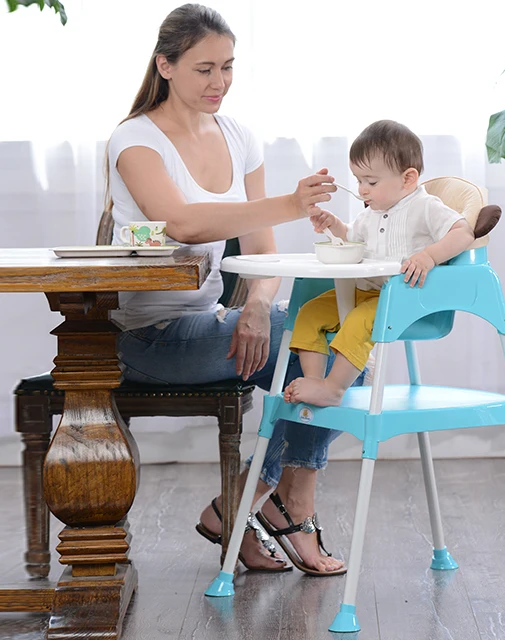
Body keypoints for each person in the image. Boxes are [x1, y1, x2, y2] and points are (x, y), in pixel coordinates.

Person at [107, 3, 354, 575]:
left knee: (338, 340)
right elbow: (183, 222)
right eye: (204, 69)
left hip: (213, 320)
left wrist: (260, 307)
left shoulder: (240, 136)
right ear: (165, 66)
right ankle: (278, 506)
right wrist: (292, 203)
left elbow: (265, 254)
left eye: (228, 67)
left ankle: (247, 501)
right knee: (326, 346)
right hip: (150, 337)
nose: (220, 82)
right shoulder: (134, 140)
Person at [284, 120, 475, 407]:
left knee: (360, 322)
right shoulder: (371, 214)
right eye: (359, 180)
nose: (362, 189)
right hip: (364, 293)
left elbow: (463, 232)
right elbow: (352, 240)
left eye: (371, 182)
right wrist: (333, 225)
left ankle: (335, 388)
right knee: (310, 312)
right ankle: (316, 380)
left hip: (404, 297)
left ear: (408, 179)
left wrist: (429, 256)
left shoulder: (425, 206)